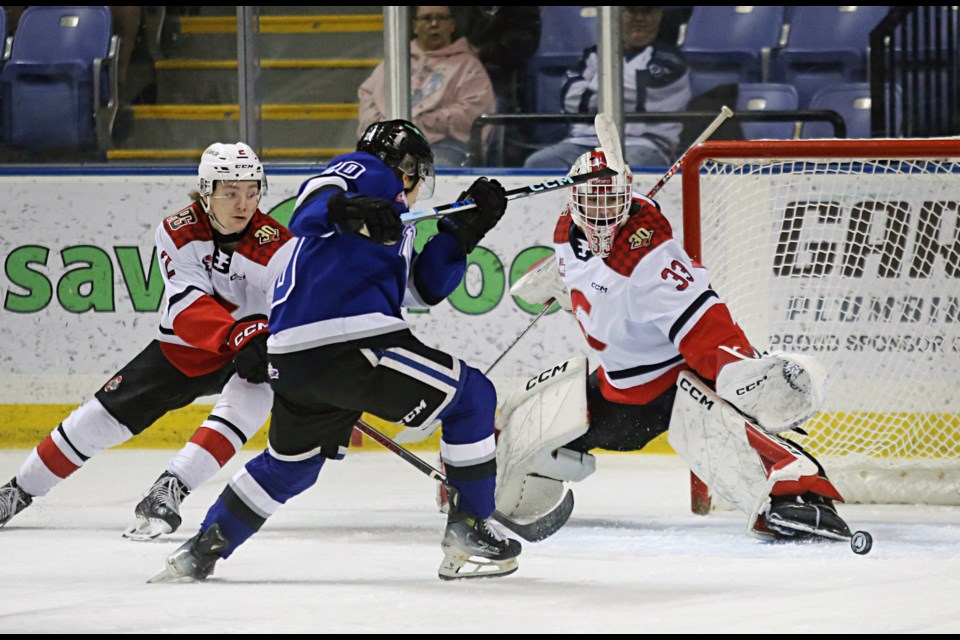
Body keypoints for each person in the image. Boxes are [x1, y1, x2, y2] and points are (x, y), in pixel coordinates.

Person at [149, 119, 521, 584]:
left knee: (292, 469)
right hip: (348, 342)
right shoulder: (370, 172)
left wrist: (462, 233)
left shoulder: (389, 227)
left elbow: (422, 290)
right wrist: (351, 206)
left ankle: (202, 549)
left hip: (295, 358)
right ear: (406, 167)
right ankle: (471, 527)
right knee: (473, 398)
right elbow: (311, 203)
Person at [497, 147, 858, 545]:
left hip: (671, 381)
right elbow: (597, 286)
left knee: (715, 424)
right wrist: (564, 284)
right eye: (591, 201)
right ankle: (477, 481)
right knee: (534, 422)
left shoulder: (652, 261)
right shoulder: (566, 229)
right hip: (621, 393)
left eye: (610, 200)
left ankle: (798, 496)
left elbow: (707, 327)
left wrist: (738, 372)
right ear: (573, 199)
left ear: (627, 194)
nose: (600, 212)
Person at [0, 143, 295, 541]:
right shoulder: (178, 230)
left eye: (251, 191)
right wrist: (235, 334)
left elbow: (295, 304)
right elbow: (187, 305)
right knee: (99, 419)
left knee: (252, 400)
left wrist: (276, 341)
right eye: (230, 192)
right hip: (188, 348)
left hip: (253, 349)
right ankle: (17, 491)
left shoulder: (276, 242)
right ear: (207, 193)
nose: (243, 203)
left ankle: (169, 488)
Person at [523, 6, 692, 170]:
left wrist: (591, 89)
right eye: (632, 10)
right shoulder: (591, 56)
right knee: (538, 163)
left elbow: (631, 96)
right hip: (584, 141)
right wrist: (609, 91)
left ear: (658, 16)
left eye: (647, 11)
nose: (640, 18)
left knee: (625, 169)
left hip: (643, 143)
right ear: (615, 14)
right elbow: (569, 99)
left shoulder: (670, 60)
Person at [357, 6, 496, 168]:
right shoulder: (396, 60)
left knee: (428, 169)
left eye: (441, 18)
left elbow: (471, 113)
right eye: (427, 18)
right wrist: (385, 128)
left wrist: (420, 123)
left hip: (442, 146)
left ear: (452, 25)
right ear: (414, 26)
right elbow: (368, 98)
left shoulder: (468, 66)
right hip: (388, 145)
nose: (434, 24)